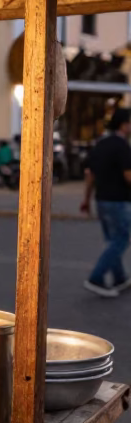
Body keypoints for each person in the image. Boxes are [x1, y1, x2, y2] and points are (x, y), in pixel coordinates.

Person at [80, 107, 131, 297]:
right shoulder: (122, 146)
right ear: (124, 124)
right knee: (120, 240)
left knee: (112, 240)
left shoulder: (101, 144)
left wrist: (86, 199)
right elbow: (128, 176)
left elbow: (90, 175)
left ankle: (120, 278)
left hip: (101, 200)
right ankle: (96, 278)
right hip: (119, 201)